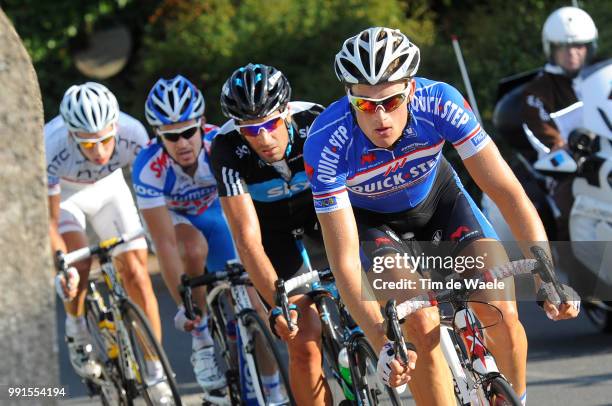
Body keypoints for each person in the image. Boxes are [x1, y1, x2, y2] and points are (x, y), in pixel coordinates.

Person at [304, 27, 580, 406]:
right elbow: (345, 258)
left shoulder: (440, 103)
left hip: (443, 207)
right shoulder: (326, 142)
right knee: (420, 326)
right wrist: (382, 341)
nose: (380, 116)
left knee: (502, 315)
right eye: (366, 105)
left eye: (392, 100)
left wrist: (548, 274)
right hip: (377, 226)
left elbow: (507, 193)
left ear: (412, 90)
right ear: (348, 98)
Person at [210, 63, 331, 405]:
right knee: (303, 340)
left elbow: (352, 199)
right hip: (271, 234)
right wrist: (276, 304)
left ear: (286, 111)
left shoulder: (314, 121)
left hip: (323, 216)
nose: (262, 138)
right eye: (250, 130)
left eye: (269, 124)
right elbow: (247, 239)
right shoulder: (225, 149)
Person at [46, 82, 164, 392]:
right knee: (79, 261)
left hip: (111, 191)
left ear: (115, 126)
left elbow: (152, 194)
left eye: (105, 140)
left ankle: (156, 373)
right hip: (68, 198)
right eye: (87, 144)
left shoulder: (133, 132)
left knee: (138, 275)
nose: (98, 152)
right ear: (72, 134)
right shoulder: (50, 143)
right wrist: (62, 264)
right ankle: (76, 329)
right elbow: (50, 219)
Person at [132, 75, 237, 400]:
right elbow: (163, 242)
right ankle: (202, 338)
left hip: (215, 212)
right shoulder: (148, 166)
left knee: (242, 286)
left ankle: (265, 381)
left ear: (202, 124)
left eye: (188, 132)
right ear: (158, 136)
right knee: (191, 248)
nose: (182, 143)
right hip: (177, 220)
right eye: (171, 136)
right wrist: (185, 305)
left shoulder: (218, 143)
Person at [523, 6, 598, 151]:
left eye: (578, 45)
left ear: (589, 47)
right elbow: (552, 145)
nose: (571, 53)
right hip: (571, 167)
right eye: (562, 47)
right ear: (551, 49)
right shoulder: (537, 93)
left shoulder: (602, 76)